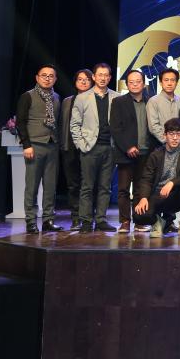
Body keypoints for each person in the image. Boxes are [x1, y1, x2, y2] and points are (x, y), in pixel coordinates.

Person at [70, 63, 120, 233]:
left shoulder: (117, 97)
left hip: (110, 148)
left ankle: (101, 220)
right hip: (90, 148)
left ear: (110, 77)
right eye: (100, 75)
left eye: (106, 75)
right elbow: (74, 125)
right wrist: (81, 145)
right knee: (87, 186)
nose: (103, 78)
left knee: (105, 187)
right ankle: (85, 221)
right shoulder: (82, 98)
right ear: (94, 77)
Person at [133, 117, 180, 240]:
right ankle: (158, 222)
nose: (175, 138)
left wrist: (172, 183)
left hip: (178, 195)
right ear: (165, 135)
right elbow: (146, 179)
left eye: (178, 134)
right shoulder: (155, 155)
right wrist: (143, 198)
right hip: (158, 195)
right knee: (139, 215)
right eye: (171, 134)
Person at [15, 64, 61, 234]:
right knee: (32, 185)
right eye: (44, 75)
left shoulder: (56, 97)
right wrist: (26, 144)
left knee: (50, 186)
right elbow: (20, 122)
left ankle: (48, 220)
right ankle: (31, 221)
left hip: (52, 145)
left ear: (55, 79)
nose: (47, 78)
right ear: (37, 77)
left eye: (51, 76)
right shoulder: (28, 96)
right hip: (34, 145)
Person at [108, 69, 153, 233]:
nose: (134, 84)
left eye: (138, 81)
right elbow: (115, 128)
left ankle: (139, 221)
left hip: (146, 152)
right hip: (125, 152)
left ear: (144, 84)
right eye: (131, 82)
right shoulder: (119, 102)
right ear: (127, 84)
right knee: (123, 189)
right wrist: (127, 146)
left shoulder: (150, 101)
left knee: (142, 189)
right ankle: (125, 221)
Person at [59, 68, 93, 231]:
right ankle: (75, 217)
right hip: (69, 147)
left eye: (87, 79)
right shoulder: (67, 101)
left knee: (88, 184)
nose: (83, 82)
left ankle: (88, 217)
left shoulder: (95, 99)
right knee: (73, 185)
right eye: (80, 79)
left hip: (89, 147)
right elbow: (62, 123)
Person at [146, 68, 180, 144]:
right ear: (160, 82)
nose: (169, 83)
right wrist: (168, 140)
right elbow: (153, 126)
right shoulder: (153, 101)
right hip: (160, 144)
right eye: (166, 80)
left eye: (172, 80)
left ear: (176, 83)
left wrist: (178, 139)